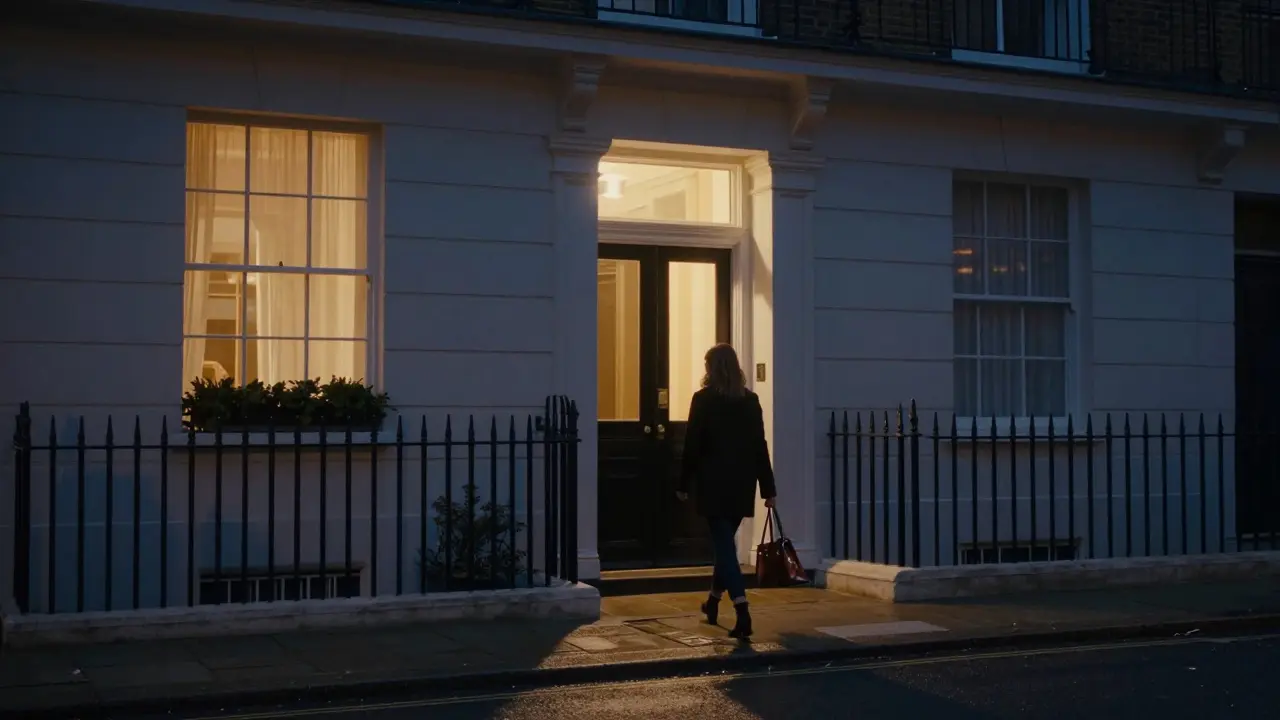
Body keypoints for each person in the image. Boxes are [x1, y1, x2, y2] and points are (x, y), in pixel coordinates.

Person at [675, 343, 777, 640]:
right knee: (725, 546)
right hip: (741, 485)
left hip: (713, 485)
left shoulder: (703, 400)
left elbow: (692, 445)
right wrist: (767, 489)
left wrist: (683, 484)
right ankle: (712, 603)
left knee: (724, 546)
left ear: (711, 369)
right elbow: (760, 448)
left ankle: (742, 611)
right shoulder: (750, 401)